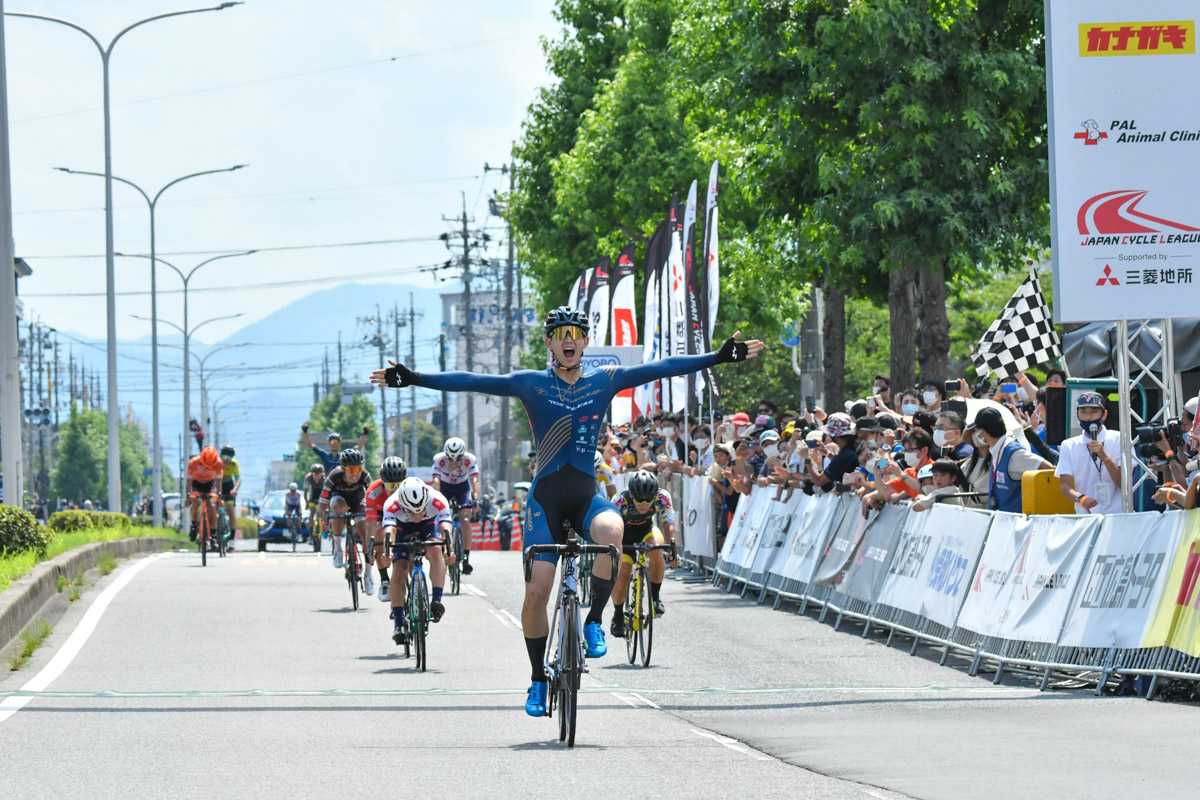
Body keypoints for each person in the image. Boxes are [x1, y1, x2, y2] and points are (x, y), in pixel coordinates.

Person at [371, 306, 762, 717]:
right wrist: (414, 378)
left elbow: (662, 367)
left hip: (585, 495)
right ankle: (538, 679)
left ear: (585, 341)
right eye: (561, 333)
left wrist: (717, 357)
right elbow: (472, 380)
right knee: (538, 590)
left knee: (613, 532)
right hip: (545, 500)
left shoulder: (605, 379)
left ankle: (594, 619)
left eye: (576, 332)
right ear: (549, 342)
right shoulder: (531, 383)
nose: (569, 339)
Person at [381, 477, 452, 645]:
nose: (418, 515)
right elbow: (389, 531)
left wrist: (449, 549)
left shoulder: (437, 499)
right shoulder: (392, 503)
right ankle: (398, 623)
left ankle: (436, 601)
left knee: (436, 551)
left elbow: (445, 528)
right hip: (401, 527)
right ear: (403, 505)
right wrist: (388, 552)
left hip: (429, 524)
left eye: (421, 510)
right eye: (412, 512)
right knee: (400, 569)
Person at [609, 471, 677, 639]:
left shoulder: (663, 497)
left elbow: (668, 524)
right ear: (632, 495)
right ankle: (618, 614)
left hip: (647, 530)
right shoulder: (619, 500)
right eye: (640, 500)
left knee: (656, 549)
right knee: (623, 574)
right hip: (623, 535)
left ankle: (655, 597)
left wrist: (672, 551)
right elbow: (611, 529)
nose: (644, 504)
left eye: (648, 500)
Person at [966, 406, 1051, 513]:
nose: (975, 434)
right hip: (1001, 519)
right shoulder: (995, 449)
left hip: (1015, 522)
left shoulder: (1014, 453)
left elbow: (1049, 469)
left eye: (975, 430)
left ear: (983, 432)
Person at [1055, 391, 1122, 515]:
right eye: (1083, 412)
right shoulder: (1068, 445)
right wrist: (1081, 498)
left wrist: (1105, 457)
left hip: (1117, 514)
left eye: (1094, 412)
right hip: (1086, 516)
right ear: (1077, 415)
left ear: (1104, 414)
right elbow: (1065, 487)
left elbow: (1124, 483)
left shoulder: (1119, 439)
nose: (1088, 417)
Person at [316, 449, 373, 573]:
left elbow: (373, 499)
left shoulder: (365, 475)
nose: (355, 474)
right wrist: (324, 521)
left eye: (358, 469)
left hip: (358, 499)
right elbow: (322, 505)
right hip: (339, 498)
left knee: (365, 532)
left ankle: (368, 574)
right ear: (343, 468)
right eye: (351, 470)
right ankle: (337, 549)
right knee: (340, 510)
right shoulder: (333, 477)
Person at [431, 436, 481, 575]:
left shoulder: (469, 459)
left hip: (462, 489)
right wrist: (436, 499)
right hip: (445, 488)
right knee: (441, 521)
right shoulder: (439, 459)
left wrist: (476, 499)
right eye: (450, 458)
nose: (453, 462)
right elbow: (436, 481)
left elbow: (475, 480)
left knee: (465, 519)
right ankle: (445, 549)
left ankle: (465, 557)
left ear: (463, 455)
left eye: (457, 458)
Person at [363, 456, 409, 601]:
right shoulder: (373, 491)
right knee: (378, 534)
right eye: (390, 486)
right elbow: (370, 524)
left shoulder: (410, 488)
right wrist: (368, 550)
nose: (395, 490)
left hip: (403, 511)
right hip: (381, 513)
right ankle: (384, 581)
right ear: (382, 483)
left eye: (398, 485)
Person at [186, 446, 223, 542]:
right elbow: (189, 481)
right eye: (204, 465)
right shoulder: (193, 462)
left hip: (209, 485)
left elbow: (219, 481)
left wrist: (219, 497)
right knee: (196, 501)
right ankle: (193, 525)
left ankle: (213, 535)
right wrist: (188, 497)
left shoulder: (219, 463)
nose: (206, 468)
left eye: (210, 466)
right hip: (196, 484)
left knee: (211, 504)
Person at [301, 423, 369, 474]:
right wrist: (305, 432)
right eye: (332, 441)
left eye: (336, 441)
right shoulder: (324, 455)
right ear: (329, 443)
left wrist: (365, 433)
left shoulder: (343, 455)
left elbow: (359, 446)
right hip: (328, 484)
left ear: (340, 443)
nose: (334, 444)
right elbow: (310, 445)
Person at [219, 445, 241, 542]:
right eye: (225, 457)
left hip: (228, 486)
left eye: (230, 458)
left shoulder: (234, 464)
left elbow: (238, 479)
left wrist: (235, 489)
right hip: (217, 484)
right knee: (213, 509)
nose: (226, 460)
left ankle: (232, 538)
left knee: (231, 510)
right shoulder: (217, 463)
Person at [303, 463, 325, 546]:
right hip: (312, 496)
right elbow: (305, 492)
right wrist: (306, 503)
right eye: (315, 474)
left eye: (318, 474)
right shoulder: (308, 478)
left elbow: (327, 492)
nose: (317, 476)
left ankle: (324, 527)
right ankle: (311, 533)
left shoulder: (324, 478)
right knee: (312, 513)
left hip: (322, 495)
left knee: (322, 512)